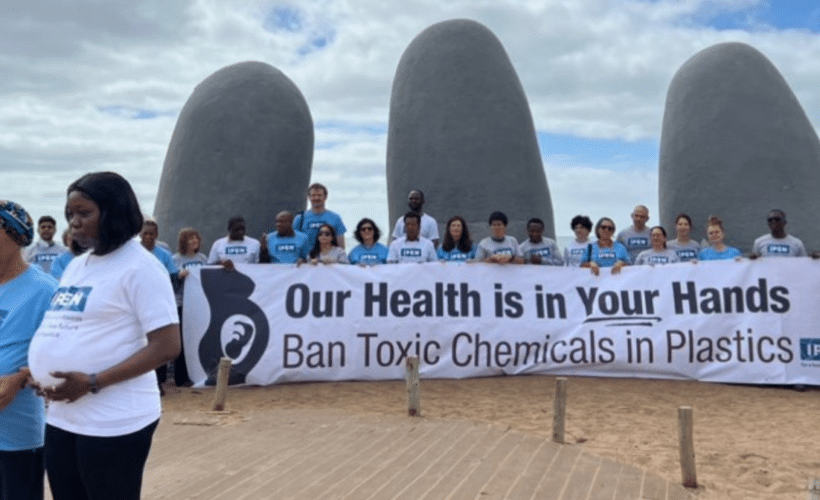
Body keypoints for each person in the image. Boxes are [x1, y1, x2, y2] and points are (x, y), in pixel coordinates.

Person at [27, 172, 180, 500]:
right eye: (70, 215)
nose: (74, 223)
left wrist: (93, 381)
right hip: (64, 416)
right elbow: (66, 325)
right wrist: (40, 372)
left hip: (114, 420)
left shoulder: (141, 267)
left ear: (113, 211)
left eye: (84, 213)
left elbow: (166, 345)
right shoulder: (76, 266)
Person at [0, 200, 58, 500]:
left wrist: (20, 377)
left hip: (17, 435)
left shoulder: (45, 290)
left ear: (15, 235)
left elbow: (64, 354)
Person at [171, 227, 207, 387]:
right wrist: (179, 276)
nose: (194, 241)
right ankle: (181, 376)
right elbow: (170, 282)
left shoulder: (203, 258)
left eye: (196, 238)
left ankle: (199, 373)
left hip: (199, 304)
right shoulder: (175, 259)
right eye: (190, 239)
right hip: (181, 304)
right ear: (183, 242)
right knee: (182, 341)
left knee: (197, 338)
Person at [293, 183, 347, 248]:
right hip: (307, 257)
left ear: (325, 197)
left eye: (319, 195)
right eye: (313, 195)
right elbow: (294, 242)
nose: (316, 198)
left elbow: (341, 246)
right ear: (309, 197)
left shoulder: (335, 218)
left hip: (328, 257)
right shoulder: (300, 218)